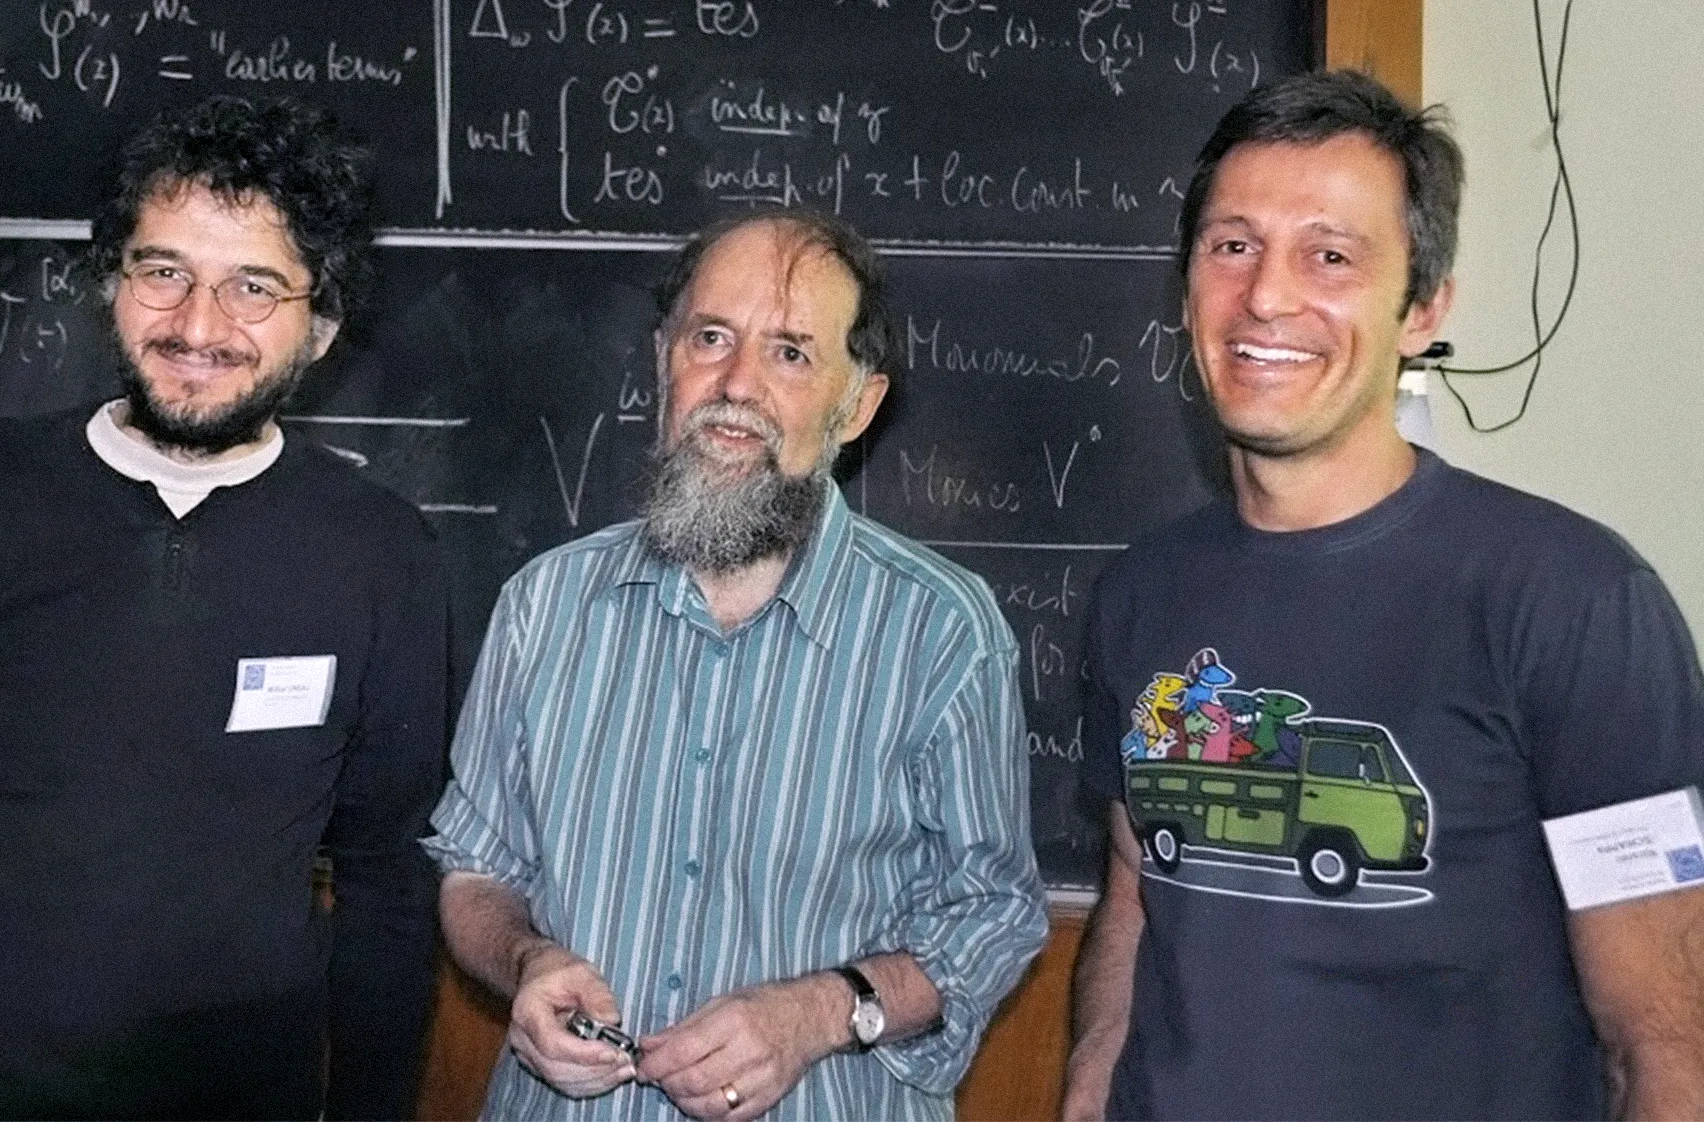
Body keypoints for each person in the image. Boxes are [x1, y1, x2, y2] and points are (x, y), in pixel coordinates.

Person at [0, 95, 447, 1120]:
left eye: (254, 287)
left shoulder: (383, 553)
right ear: (114, 282)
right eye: (164, 272)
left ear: (320, 325)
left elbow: (385, 882)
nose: (199, 326)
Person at [1064, 69, 1704, 1121]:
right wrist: (1087, 1095)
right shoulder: (1143, 595)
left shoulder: (1575, 603)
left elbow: (1665, 1041)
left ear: (1421, 308)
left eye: (1329, 255)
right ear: (1183, 289)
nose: (1266, 296)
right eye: (1232, 246)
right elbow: (1140, 892)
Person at [424, 210, 1049, 1121]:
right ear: (663, 359)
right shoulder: (542, 607)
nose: (736, 384)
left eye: (792, 353)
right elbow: (477, 871)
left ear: (858, 403)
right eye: (710, 337)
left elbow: (995, 911)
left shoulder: (940, 633)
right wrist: (527, 960)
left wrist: (823, 1010)